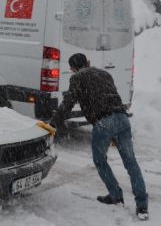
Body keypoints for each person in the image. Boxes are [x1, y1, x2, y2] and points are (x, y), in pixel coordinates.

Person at [51, 53, 149, 221]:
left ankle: (115, 195)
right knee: (131, 162)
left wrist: (53, 123)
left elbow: (67, 104)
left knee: (100, 160)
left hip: (103, 122)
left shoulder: (77, 78)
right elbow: (107, 96)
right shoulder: (104, 73)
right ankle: (142, 206)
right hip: (122, 118)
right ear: (88, 62)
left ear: (73, 69)